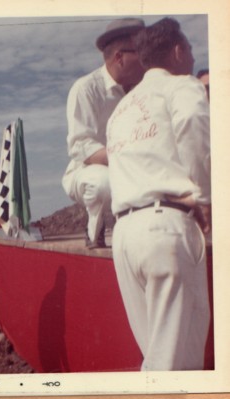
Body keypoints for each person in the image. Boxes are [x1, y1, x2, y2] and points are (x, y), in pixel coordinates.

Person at [106, 18, 211, 370]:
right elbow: (194, 128)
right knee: (175, 367)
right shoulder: (182, 86)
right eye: (192, 50)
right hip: (165, 230)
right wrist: (206, 197)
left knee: (157, 356)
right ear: (179, 51)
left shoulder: (121, 110)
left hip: (124, 235)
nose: (193, 58)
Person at [62, 18, 145, 248]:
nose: (147, 59)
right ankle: (93, 231)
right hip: (87, 171)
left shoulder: (142, 91)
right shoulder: (86, 89)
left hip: (131, 165)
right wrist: (127, 158)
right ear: (120, 57)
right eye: (141, 52)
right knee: (104, 183)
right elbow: (81, 147)